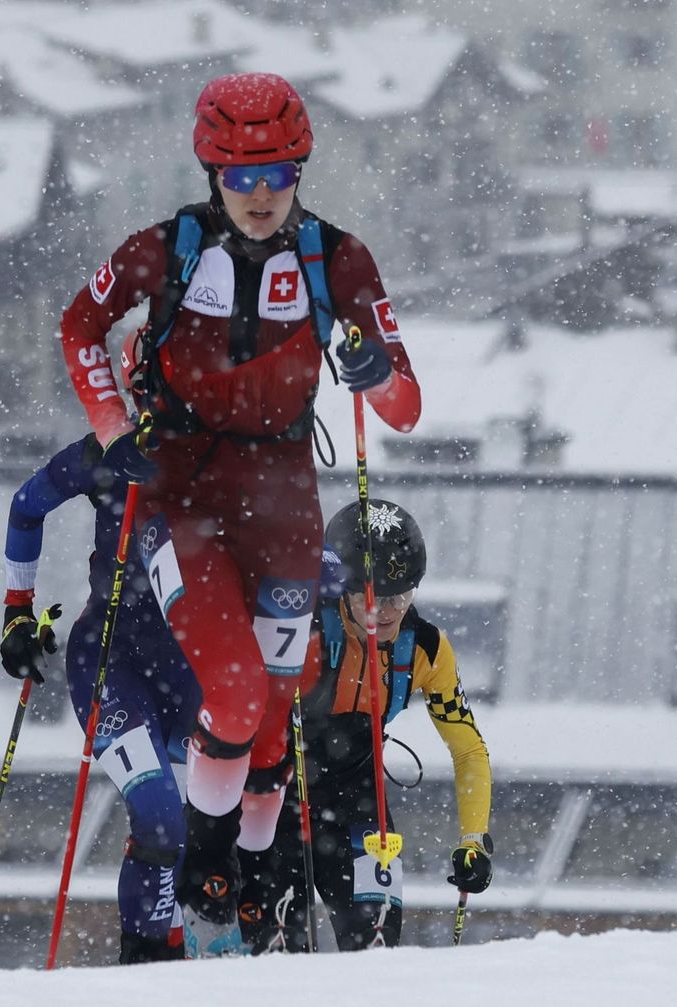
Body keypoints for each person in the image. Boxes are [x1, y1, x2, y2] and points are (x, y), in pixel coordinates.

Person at [57, 71, 423, 955]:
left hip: (285, 498)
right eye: (241, 177)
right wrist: (113, 430)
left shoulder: (340, 259)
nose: (260, 196)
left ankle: (254, 877)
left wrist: (376, 373)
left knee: (274, 715)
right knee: (232, 689)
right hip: (180, 497)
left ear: (300, 170)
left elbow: (407, 404)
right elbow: (78, 328)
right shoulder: (166, 247)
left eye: (279, 176)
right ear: (212, 171)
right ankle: (209, 859)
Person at [244, 499, 492, 953]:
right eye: (374, 597)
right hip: (281, 799)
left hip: (360, 804)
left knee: (377, 950)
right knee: (280, 954)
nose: (391, 610)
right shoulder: (302, 626)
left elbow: (469, 750)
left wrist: (474, 839)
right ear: (344, 589)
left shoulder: (427, 649)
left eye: (404, 594)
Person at [0, 433, 198, 963]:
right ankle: (143, 965)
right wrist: (17, 609)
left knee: (192, 828)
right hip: (113, 658)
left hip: (196, 670)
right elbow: (26, 507)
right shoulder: (108, 449)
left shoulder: (223, 447)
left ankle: (180, 962)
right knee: (160, 819)